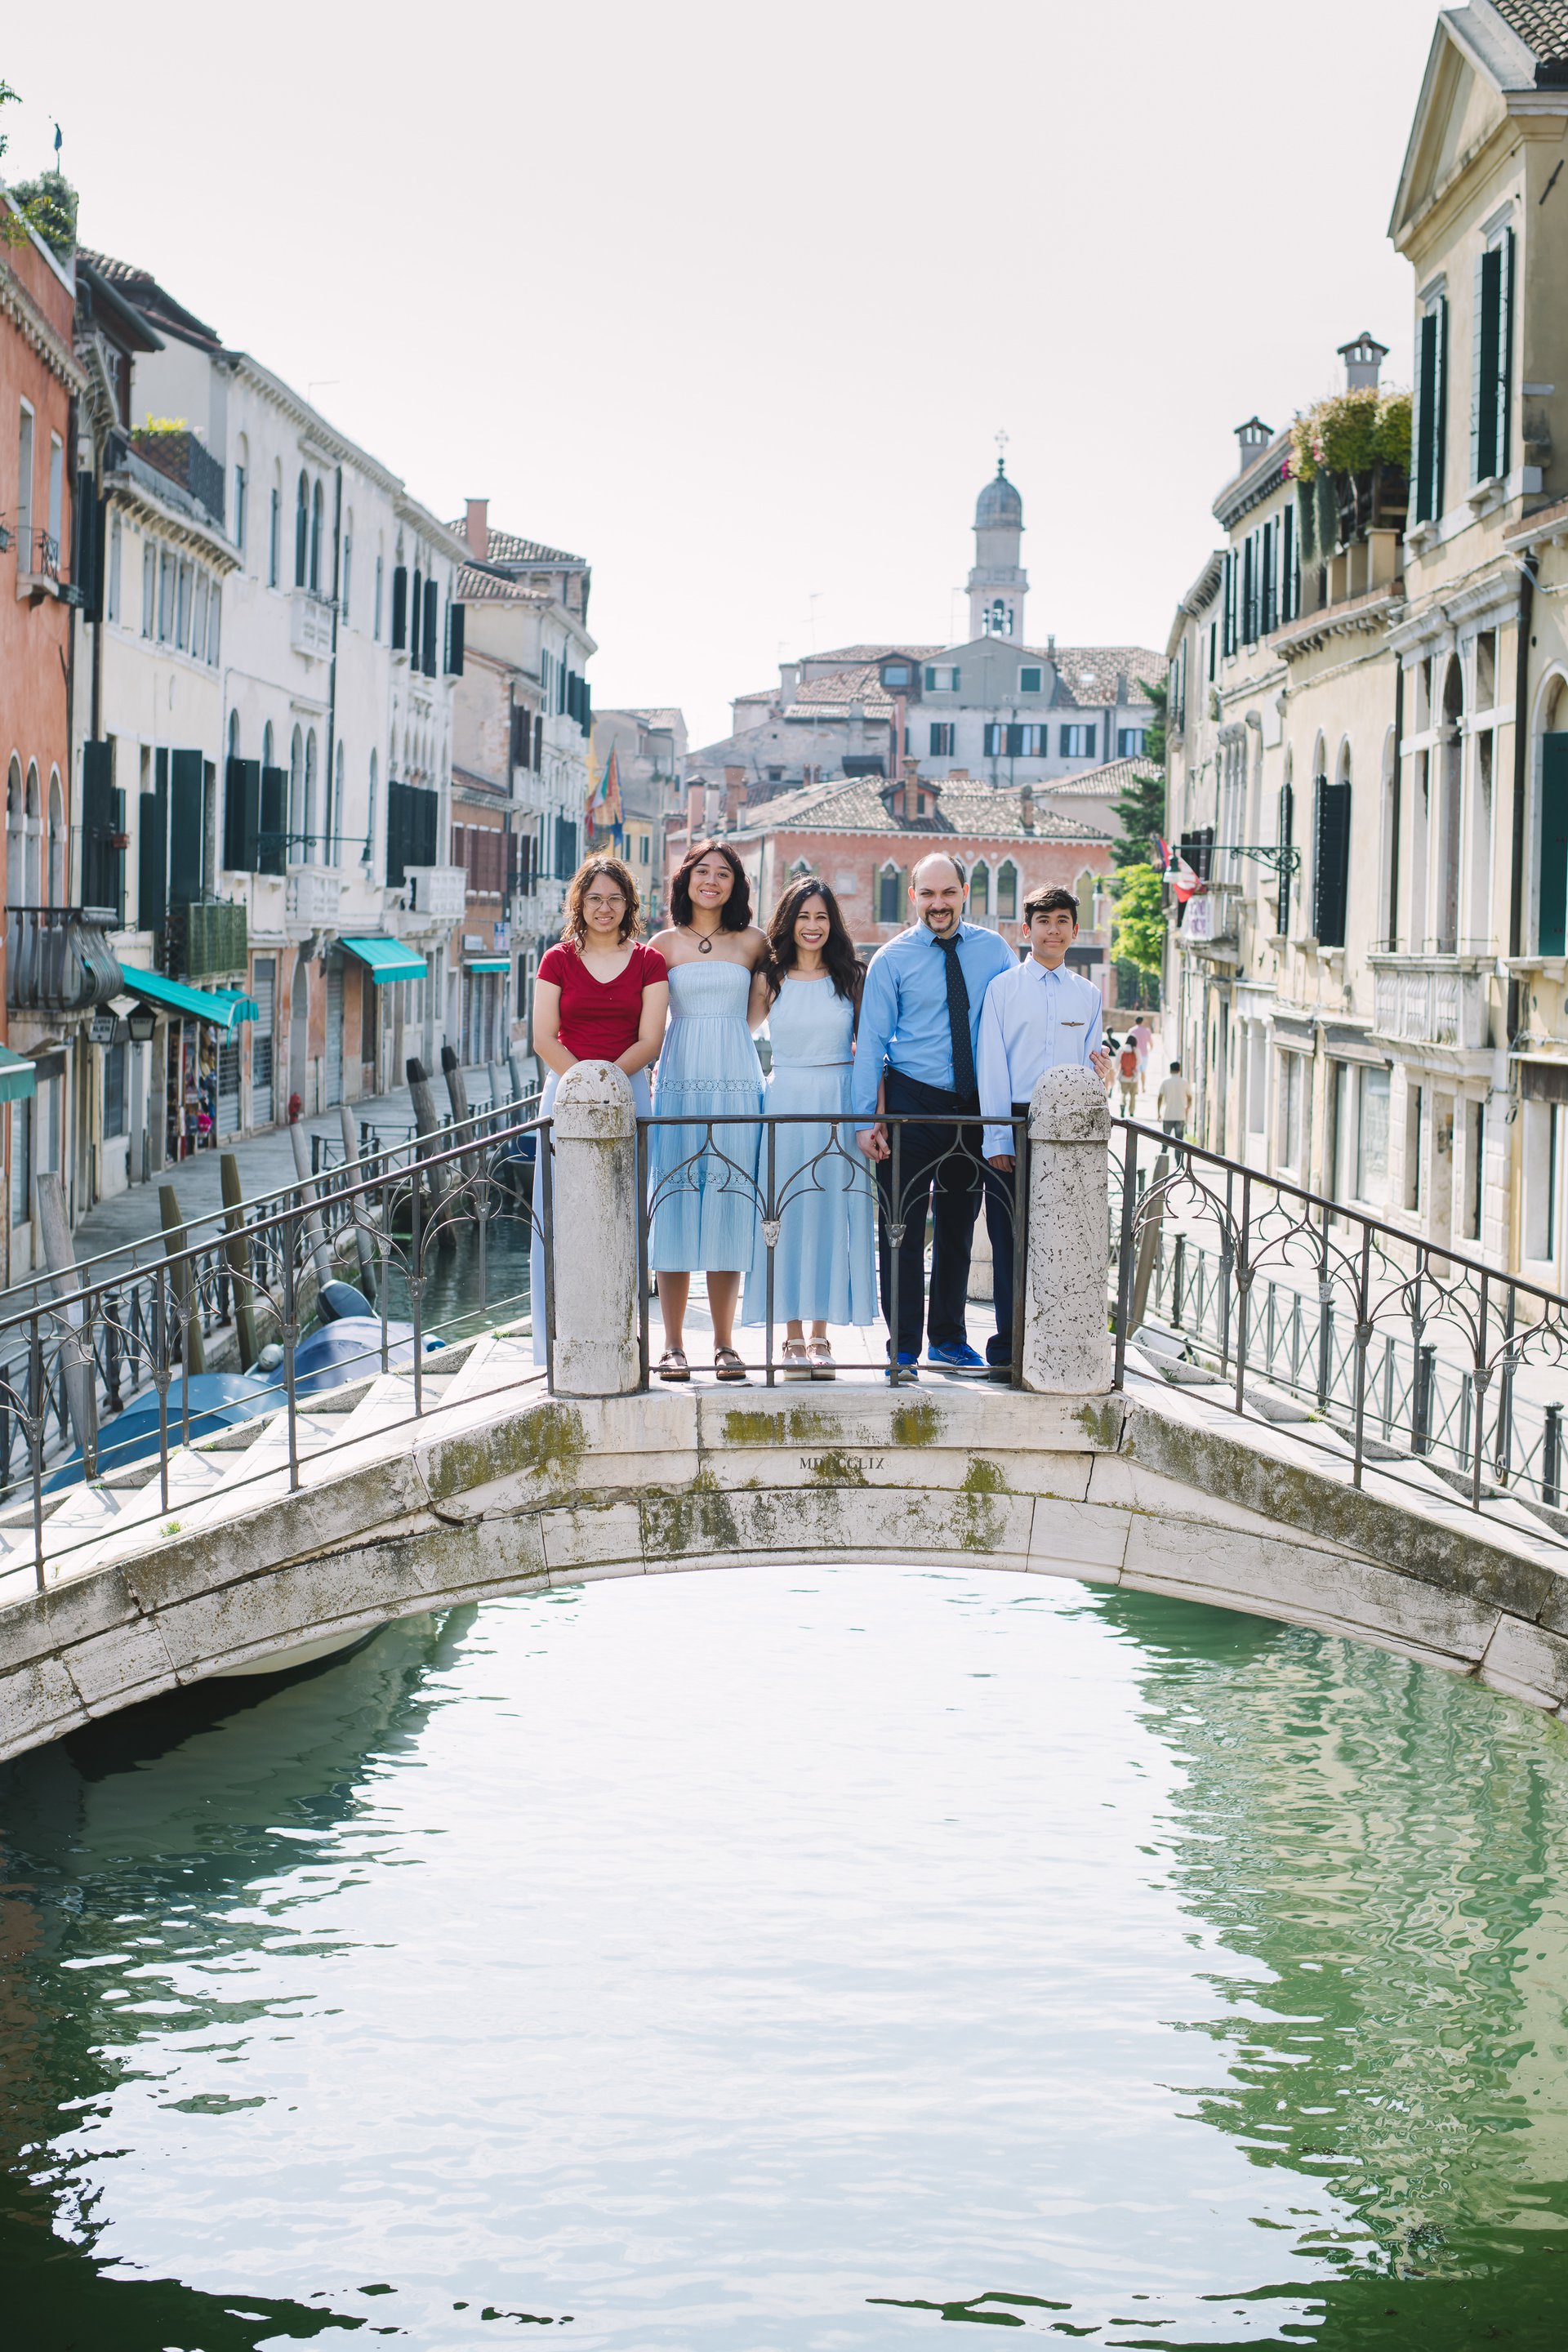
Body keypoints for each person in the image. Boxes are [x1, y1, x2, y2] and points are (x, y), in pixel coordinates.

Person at [853, 853, 1014, 1378]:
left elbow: (1017, 1023)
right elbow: (871, 1044)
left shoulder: (995, 951)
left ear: (965, 892)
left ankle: (948, 1338)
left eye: (947, 893)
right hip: (909, 1103)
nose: (938, 904)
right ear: (913, 897)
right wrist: (865, 1121)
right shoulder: (890, 960)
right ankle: (902, 1347)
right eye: (928, 894)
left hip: (972, 1106)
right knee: (897, 1223)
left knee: (958, 1225)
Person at [530, 856, 669, 1365]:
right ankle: (553, 1344)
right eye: (595, 899)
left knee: (626, 1212)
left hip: (629, 1087)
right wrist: (584, 1082)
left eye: (614, 899)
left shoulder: (650, 962)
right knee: (556, 1217)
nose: (604, 908)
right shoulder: (557, 960)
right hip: (566, 1090)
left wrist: (608, 1080)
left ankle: (623, 1339)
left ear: (629, 905)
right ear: (579, 904)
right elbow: (543, 1037)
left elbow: (651, 1040)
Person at [742, 876, 878, 1377]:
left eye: (822, 917)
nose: (813, 926)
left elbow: (871, 1055)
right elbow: (742, 1037)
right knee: (786, 1217)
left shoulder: (852, 978)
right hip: (786, 1102)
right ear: (789, 922)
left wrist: (872, 1117)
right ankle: (791, 1336)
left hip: (840, 1104)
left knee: (831, 1216)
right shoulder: (769, 979)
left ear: (832, 924)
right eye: (804, 917)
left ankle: (822, 1337)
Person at [647, 840, 770, 1383]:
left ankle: (724, 1343)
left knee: (729, 1204)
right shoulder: (662, 944)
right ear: (686, 880)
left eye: (724, 874)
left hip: (737, 1081)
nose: (712, 881)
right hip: (677, 1083)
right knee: (673, 1206)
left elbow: (757, 1015)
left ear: (735, 885)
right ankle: (672, 1344)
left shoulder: (753, 942)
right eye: (703, 871)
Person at [978, 885, 1114, 1374]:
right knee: (1007, 1235)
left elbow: (1090, 1068)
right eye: (1044, 921)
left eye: (1062, 921)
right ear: (1026, 930)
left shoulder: (1089, 994)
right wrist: (996, 1138)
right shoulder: (1003, 989)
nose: (1053, 930)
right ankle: (1009, 1342)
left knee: (1062, 1235)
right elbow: (991, 1064)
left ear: (1075, 930)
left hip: (1065, 1131)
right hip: (1012, 1121)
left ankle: (1056, 1336)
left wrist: (1105, 1083)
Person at [1157, 1060, 1191, 1139]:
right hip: (1180, 1115)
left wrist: (1159, 1113)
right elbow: (1190, 1098)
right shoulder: (1185, 1082)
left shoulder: (1165, 1082)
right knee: (1179, 1143)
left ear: (1170, 1070)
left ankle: (1163, 1152)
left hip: (1168, 1115)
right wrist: (1187, 1109)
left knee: (1165, 1141)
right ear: (1180, 1069)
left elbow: (1160, 1098)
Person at [1116, 1034, 1141, 1115]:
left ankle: (1122, 1106)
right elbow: (1139, 1062)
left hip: (1123, 1076)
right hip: (1134, 1077)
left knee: (1123, 1093)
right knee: (1133, 1095)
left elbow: (1117, 1062)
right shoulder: (1136, 1050)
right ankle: (1131, 1111)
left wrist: (1119, 1070)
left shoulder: (1122, 1049)